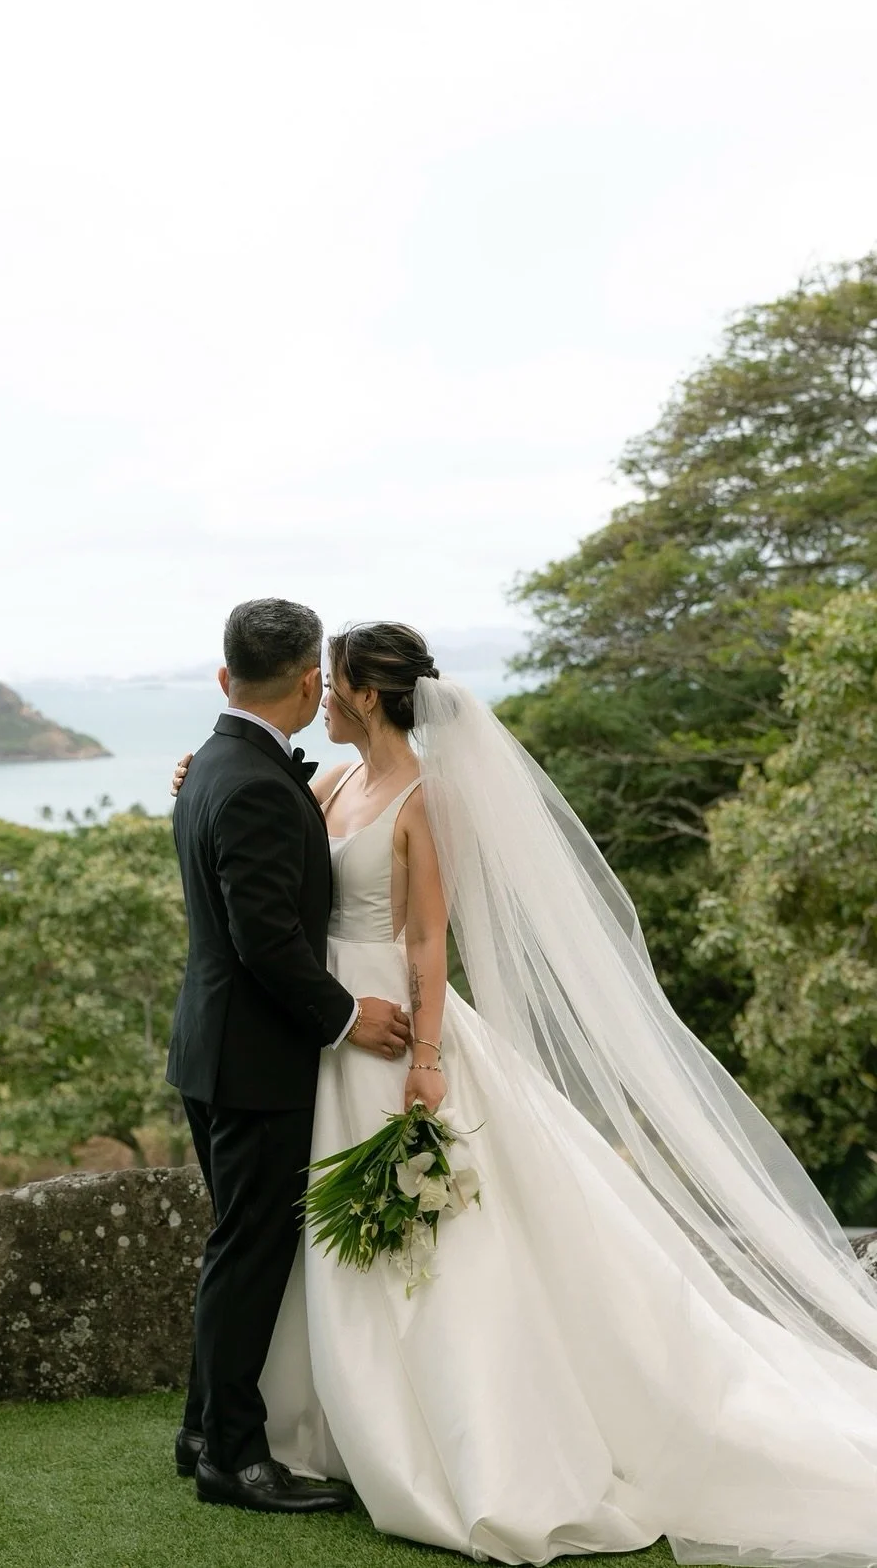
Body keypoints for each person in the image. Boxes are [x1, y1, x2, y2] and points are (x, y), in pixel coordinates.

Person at [173, 621, 877, 1564]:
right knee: (306, 1237)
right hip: (330, 1030)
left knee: (435, 1241)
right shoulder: (330, 780)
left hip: (387, 1033)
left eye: (336, 685)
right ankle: (304, 1421)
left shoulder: (427, 800)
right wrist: (203, 781)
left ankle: (448, 1429)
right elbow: (266, 829)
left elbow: (430, 941)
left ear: (367, 698)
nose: (324, 697)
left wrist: (425, 1054)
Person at [166, 597, 410, 1515]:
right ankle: (231, 1454)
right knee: (251, 1249)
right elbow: (266, 940)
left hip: (211, 1046)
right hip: (257, 1059)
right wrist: (349, 1017)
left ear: (227, 678)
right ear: (311, 681)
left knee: (237, 1243)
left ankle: (201, 1426)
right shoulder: (256, 782)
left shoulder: (214, 766)